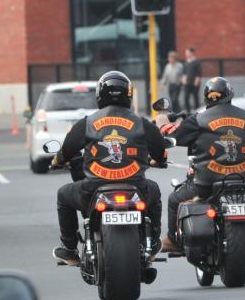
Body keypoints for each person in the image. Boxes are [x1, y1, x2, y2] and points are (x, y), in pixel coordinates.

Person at [51, 70, 170, 266]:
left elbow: (66, 151)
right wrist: (159, 161)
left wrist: (57, 161)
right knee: (155, 191)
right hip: (136, 188)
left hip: (93, 190)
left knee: (63, 195)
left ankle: (70, 249)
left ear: (99, 95)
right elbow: (160, 152)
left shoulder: (87, 123)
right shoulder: (142, 124)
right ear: (128, 95)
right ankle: (153, 240)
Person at [158, 77, 245, 254]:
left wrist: (163, 123)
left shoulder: (197, 120)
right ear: (229, 95)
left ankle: (174, 241)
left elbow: (172, 135)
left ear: (206, 97)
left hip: (205, 184)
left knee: (175, 200)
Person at [182, 47, 202, 113]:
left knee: (195, 98)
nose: (186, 54)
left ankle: (197, 111)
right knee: (186, 98)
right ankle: (188, 112)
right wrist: (184, 80)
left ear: (192, 53)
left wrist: (196, 82)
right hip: (187, 83)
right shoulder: (186, 62)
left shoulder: (196, 62)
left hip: (195, 83)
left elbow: (199, 73)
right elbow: (184, 72)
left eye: (187, 53)